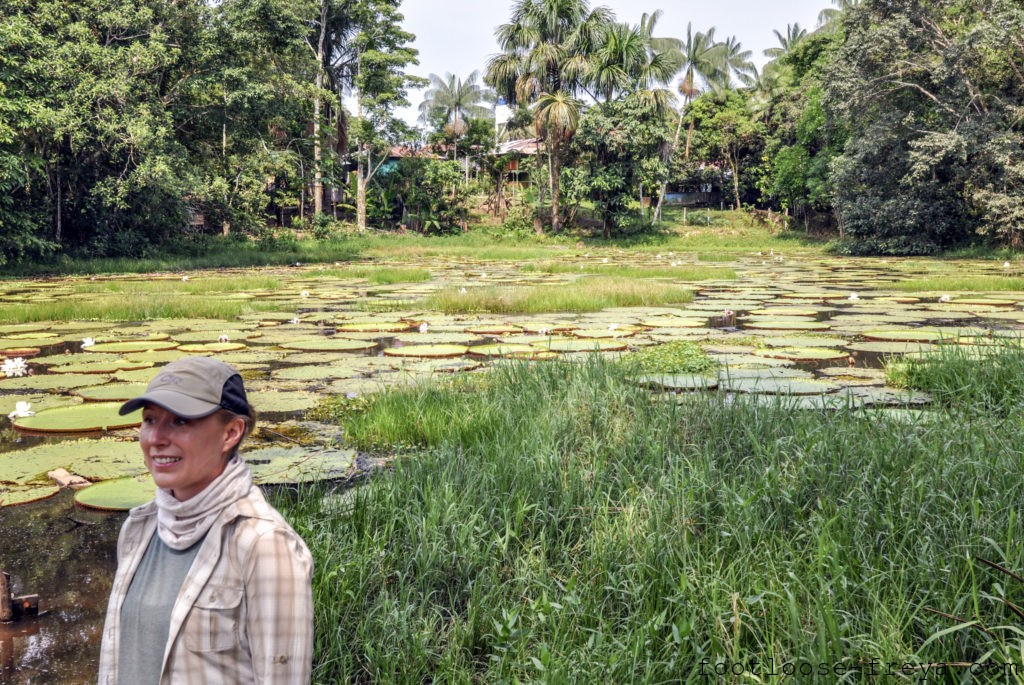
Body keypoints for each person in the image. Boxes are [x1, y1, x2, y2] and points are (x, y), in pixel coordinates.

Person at [97, 356, 313, 684]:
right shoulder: (138, 528)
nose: (156, 438)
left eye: (180, 422)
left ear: (230, 433)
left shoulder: (264, 545)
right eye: (151, 419)